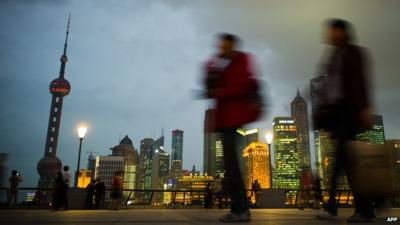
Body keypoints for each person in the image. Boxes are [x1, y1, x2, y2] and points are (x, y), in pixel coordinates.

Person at [313, 19, 376, 222]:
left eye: (332, 31)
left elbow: (360, 81)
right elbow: (328, 86)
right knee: (346, 163)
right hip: (337, 114)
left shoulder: (353, 53)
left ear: (341, 32)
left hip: (349, 112)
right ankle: (366, 209)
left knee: (342, 161)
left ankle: (339, 208)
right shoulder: (333, 57)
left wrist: (365, 107)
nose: (329, 35)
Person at [203, 33, 263, 222]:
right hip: (224, 119)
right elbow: (208, 83)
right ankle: (240, 208)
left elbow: (242, 85)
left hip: (234, 117)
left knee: (232, 165)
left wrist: (221, 91)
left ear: (232, 45)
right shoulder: (221, 64)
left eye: (225, 45)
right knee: (231, 165)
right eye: (220, 46)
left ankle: (240, 208)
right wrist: (213, 65)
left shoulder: (242, 60)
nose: (222, 48)